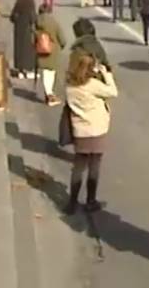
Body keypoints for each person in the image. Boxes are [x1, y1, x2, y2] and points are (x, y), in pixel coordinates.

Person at [64, 50, 119, 214]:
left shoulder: (70, 86)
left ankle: (72, 202)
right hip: (97, 129)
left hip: (80, 130)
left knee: (78, 166)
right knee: (94, 165)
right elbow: (113, 92)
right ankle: (90, 200)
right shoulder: (92, 85)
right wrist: (106, 74)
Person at [35, 4, 66, 105]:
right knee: (51, 72)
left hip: (40, 49)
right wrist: (62, 45)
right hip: (52, 50)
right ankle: (50, 95)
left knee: (45, 72)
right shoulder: (53, 22)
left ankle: (48, 93)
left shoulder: (36, 22)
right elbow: (62, 38)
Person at [10, 0, 37, 79]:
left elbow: (12, 17)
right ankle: (28, 70)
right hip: (27, 29)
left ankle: (20, 70)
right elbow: (33, 17)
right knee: (28, 50)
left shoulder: (19, 2)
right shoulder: (30, 1)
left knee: (19, 50)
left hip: (18, 29)